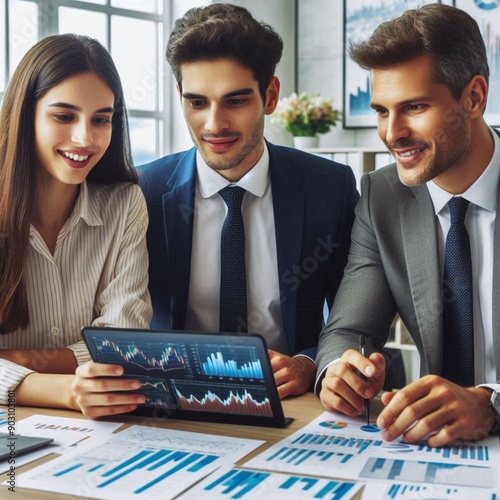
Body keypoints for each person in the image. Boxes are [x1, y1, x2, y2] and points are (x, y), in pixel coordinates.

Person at [139, 3, 359, 400]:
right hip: (172, 402)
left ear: (270, 95)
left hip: (291, 403)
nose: (214, 124)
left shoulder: (331, 187)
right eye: (197, 102)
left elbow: (355, 317)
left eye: (235, 101)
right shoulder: (145, 191)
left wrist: (309, 364)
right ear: (180, 97)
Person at [316, 3, 500, 447]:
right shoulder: (384, 197)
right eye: (382, 110)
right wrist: (344, 370)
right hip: (433, 452)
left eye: (414, 107)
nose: (392, 133)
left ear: (474, 97)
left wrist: (490, 403)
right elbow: (347, 328)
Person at [0, 34, 152, 414]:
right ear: (25, 115)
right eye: (64, 116)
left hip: (91, 426)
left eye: (101, 119)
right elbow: (104, 356)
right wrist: (61, 389)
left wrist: (12, 356)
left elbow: (124, 344)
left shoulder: (124, 205)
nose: (85, 138)